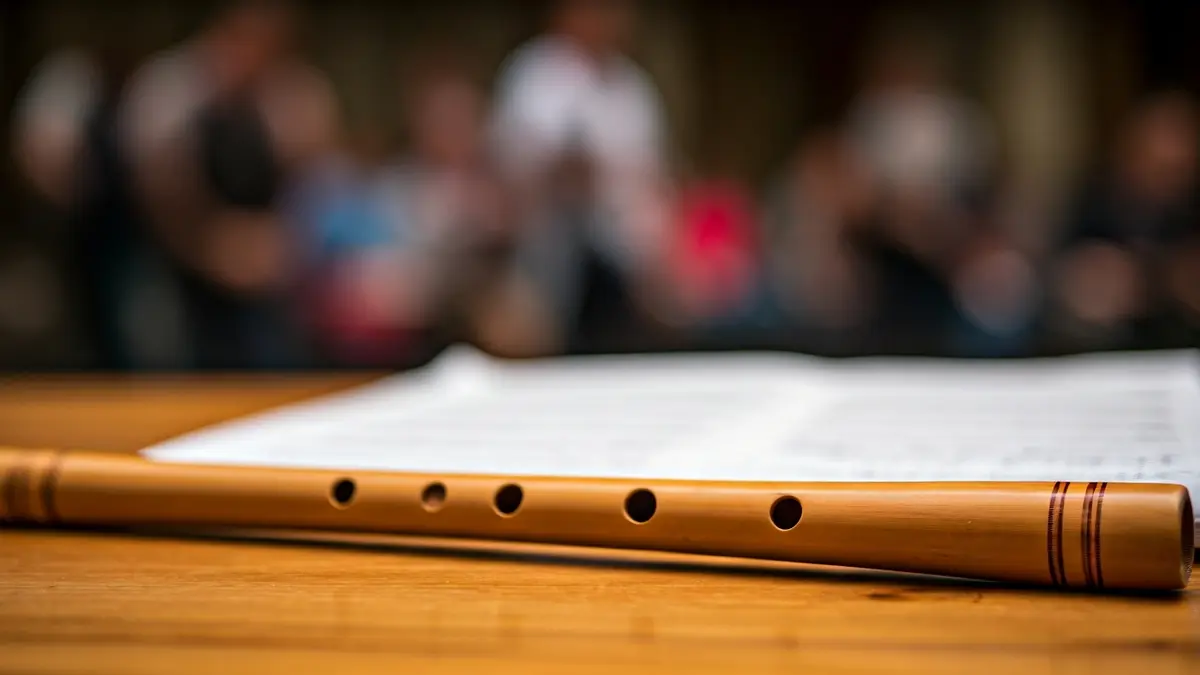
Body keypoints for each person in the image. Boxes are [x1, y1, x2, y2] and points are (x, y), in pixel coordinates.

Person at [119, 0, 338, 368]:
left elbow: (316, 178)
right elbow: (159, 193)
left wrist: (279, 238)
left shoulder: (287, 88)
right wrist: (211, 249)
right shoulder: (171, 89)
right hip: (170, 258)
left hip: (263, 262)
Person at [488, 0, 675, 354]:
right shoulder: (534, 75)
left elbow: (651, 178)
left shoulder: (632, 87)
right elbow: (509, 168)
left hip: (623, 252)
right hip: (546, 244)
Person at [1050, 92, 1200, 351]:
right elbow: (1063, 270)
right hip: (1111, 343)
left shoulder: (1190, 207)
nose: (1167, 181)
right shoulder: (1095, 200)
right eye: (1159, 168)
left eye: (1179, 170)